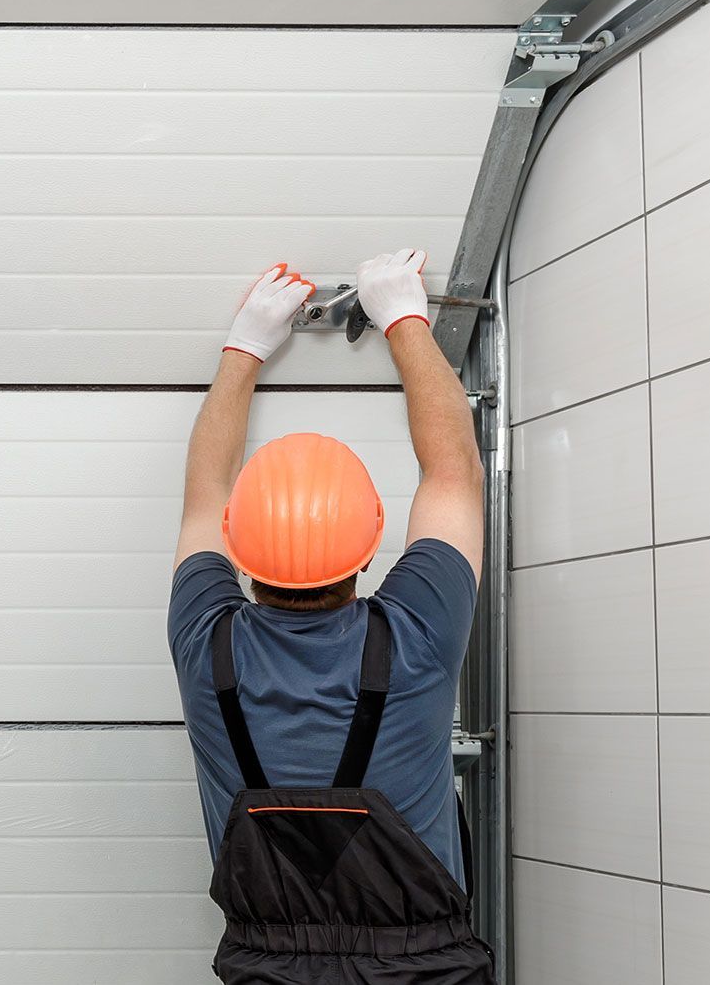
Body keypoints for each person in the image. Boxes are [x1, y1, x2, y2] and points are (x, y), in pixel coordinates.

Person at [168, 252, 496, 983]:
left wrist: (244, 348)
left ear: (239, 543)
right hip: (425, 970)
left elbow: (202, 495)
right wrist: (404, 316)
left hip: (265, 967)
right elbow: (454, 473)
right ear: (370, 538)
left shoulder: (203, 642)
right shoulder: (417, 633)